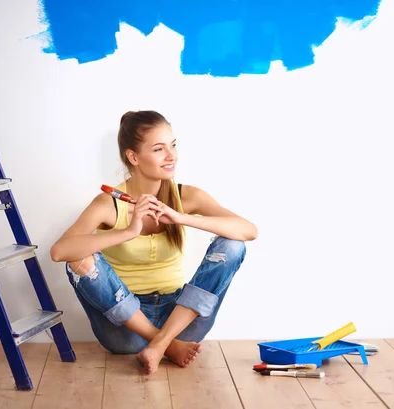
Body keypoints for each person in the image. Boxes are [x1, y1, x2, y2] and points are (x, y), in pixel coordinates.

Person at [50, 110, 258, 374]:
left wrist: (181, 218)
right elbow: (60, 252)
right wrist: (129, 231)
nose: (171, 156)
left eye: (173, 145)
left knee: (233, 244)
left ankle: (161, 342)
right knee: (79, 258)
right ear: (133, 157)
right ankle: (166, 346)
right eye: (159, 149)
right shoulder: (109, 204)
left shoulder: (188, 195)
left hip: (182, 320)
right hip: (126, 329)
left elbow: (248, 230)